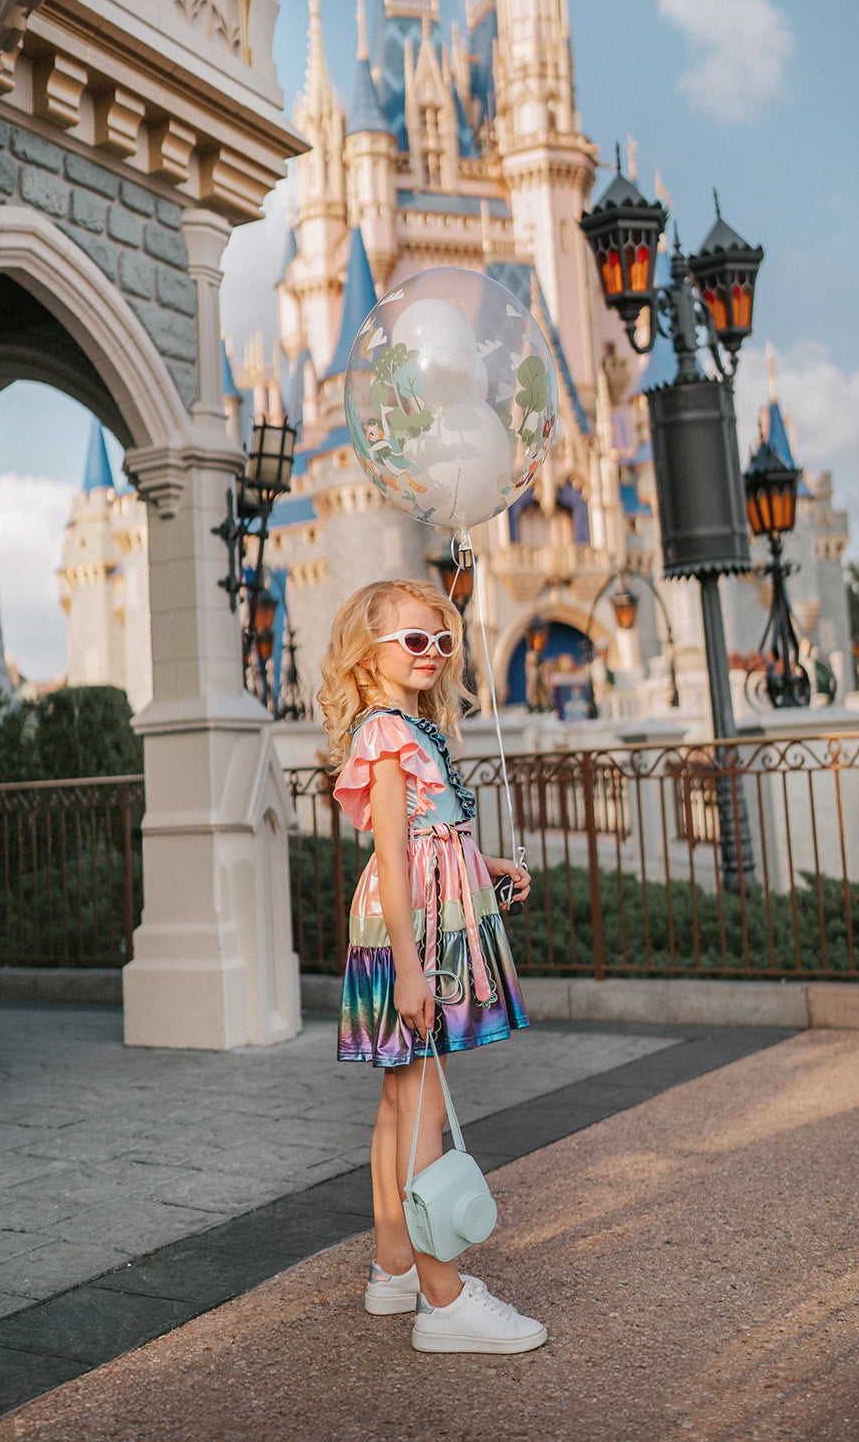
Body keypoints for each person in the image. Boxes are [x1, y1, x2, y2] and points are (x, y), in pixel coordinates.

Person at [318, 578, 547, 1355]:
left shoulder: (406, 726)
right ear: (367, 652)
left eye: (442, 640)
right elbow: (388, 848)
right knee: (422, 1109)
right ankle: (443, 1297)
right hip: (413, 928)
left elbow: (426, 834)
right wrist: (411, 969)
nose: (433, 653)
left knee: (399, 1097)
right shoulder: (385, 733)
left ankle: (393, 1269)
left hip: (421, 912)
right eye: (414, 639)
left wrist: (484, 863)